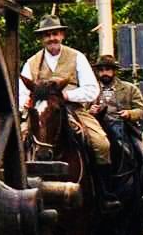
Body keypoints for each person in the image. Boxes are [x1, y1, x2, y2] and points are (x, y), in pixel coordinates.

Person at [18, 15, 109, 165]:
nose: (51, 38)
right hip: (39, 112)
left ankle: (100, 184)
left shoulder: (77, 57)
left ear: (62, 35)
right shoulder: (31, 62)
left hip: (72, 109)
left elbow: (92, 89)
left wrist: (67, 95)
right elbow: (21, 93)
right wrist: (26, 102)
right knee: (16, 142)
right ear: (42, 38)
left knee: (101, 144)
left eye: (55, 33)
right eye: (47, 35)